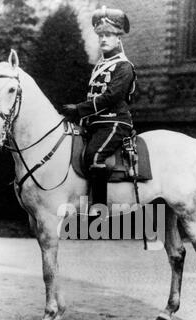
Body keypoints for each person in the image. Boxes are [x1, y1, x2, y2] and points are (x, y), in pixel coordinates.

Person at [62, 5, 136, 213]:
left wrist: (78, 109)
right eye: (101, 35)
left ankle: (99, 208)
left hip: (114, 122)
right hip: (95, 123)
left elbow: (111, 97)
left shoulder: (124, 66)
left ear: (118, 38)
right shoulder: (101, 65)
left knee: (94, 155)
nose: (103, 39)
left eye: (109, 35)